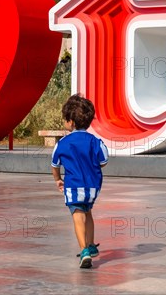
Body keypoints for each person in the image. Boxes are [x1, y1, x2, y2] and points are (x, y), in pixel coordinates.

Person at [51, 94, 108, 268]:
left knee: (77, 216)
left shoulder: (62, 143)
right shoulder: (96, 142)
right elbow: (103, 162)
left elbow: (55, 164)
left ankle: (83, 251)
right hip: (92, 188)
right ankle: (91, 246)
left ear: (70, 122)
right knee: (88, 212)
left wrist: (58, 179)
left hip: (73, 187)